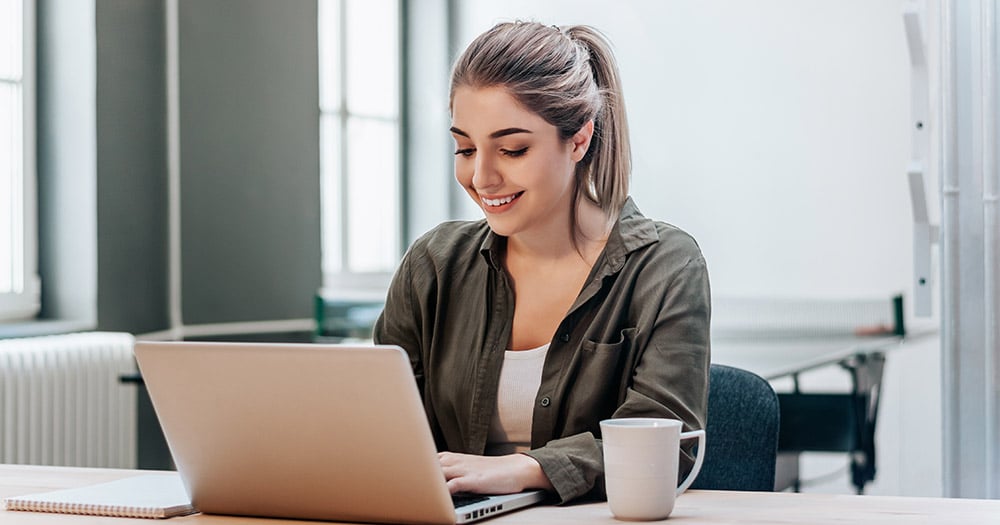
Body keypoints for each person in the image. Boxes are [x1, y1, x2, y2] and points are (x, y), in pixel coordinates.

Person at [373, 20, 710, 504]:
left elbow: (668, 446)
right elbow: (382, 430)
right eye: (465, 148)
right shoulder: (433, 265)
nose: (482, 177)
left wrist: (522, 469)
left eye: (512, 149)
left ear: (578, 140)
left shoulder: (664, 267)